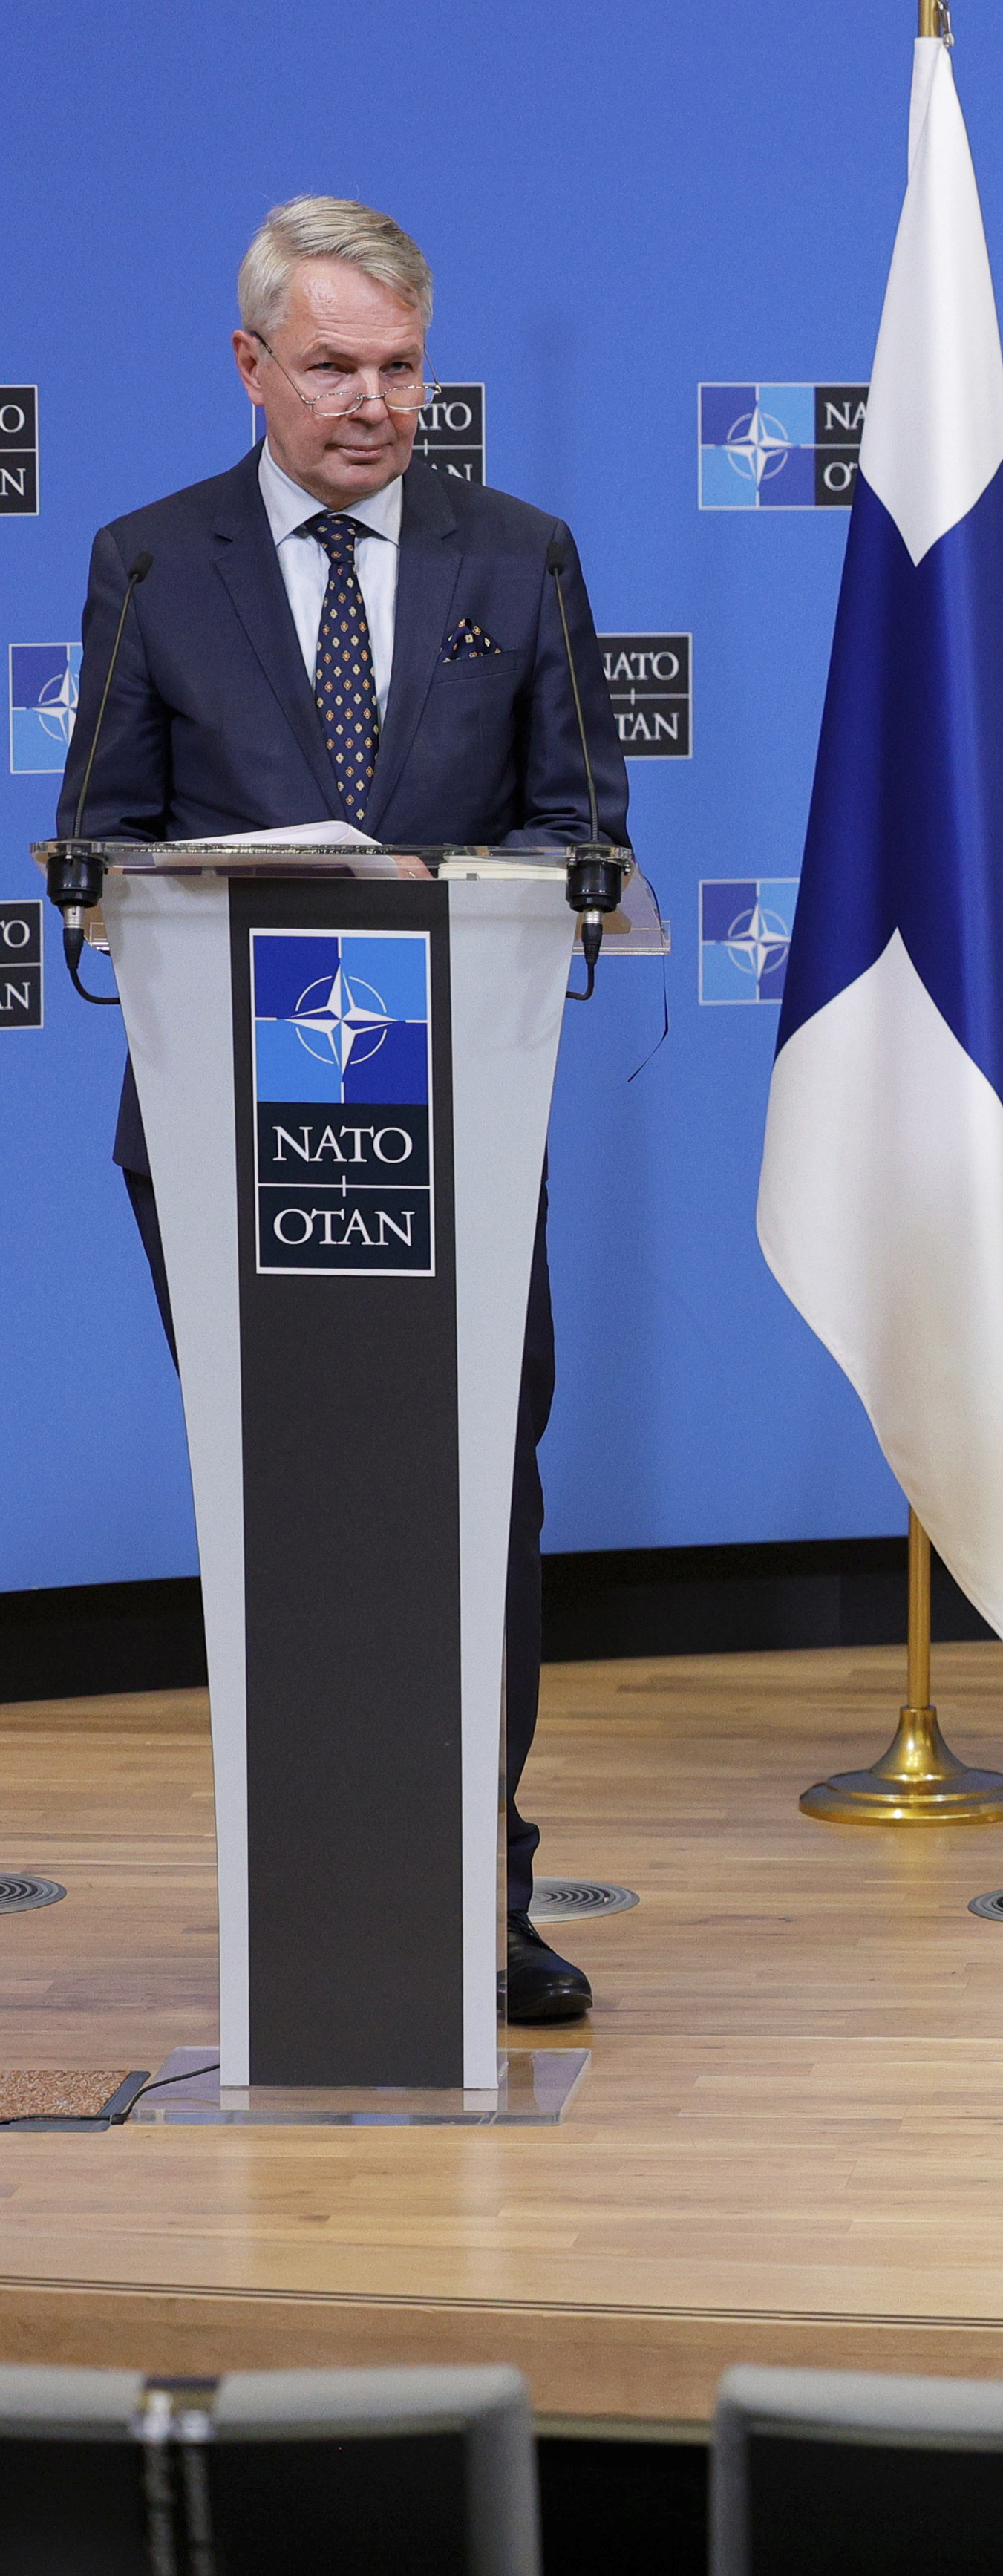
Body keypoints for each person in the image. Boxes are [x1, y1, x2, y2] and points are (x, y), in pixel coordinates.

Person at [68, 196, 625, 2024]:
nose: (372, 405)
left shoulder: (519, 554)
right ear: (251, 366)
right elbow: (99, 851)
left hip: (459, 1124)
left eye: (399, 369)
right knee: (284, 1498)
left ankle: (486, 1890)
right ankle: (310, 1894)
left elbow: (585, 833)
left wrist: (506, 889)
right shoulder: (153, 561)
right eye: (331, 368)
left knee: (480, 1499)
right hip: (241, 1140)